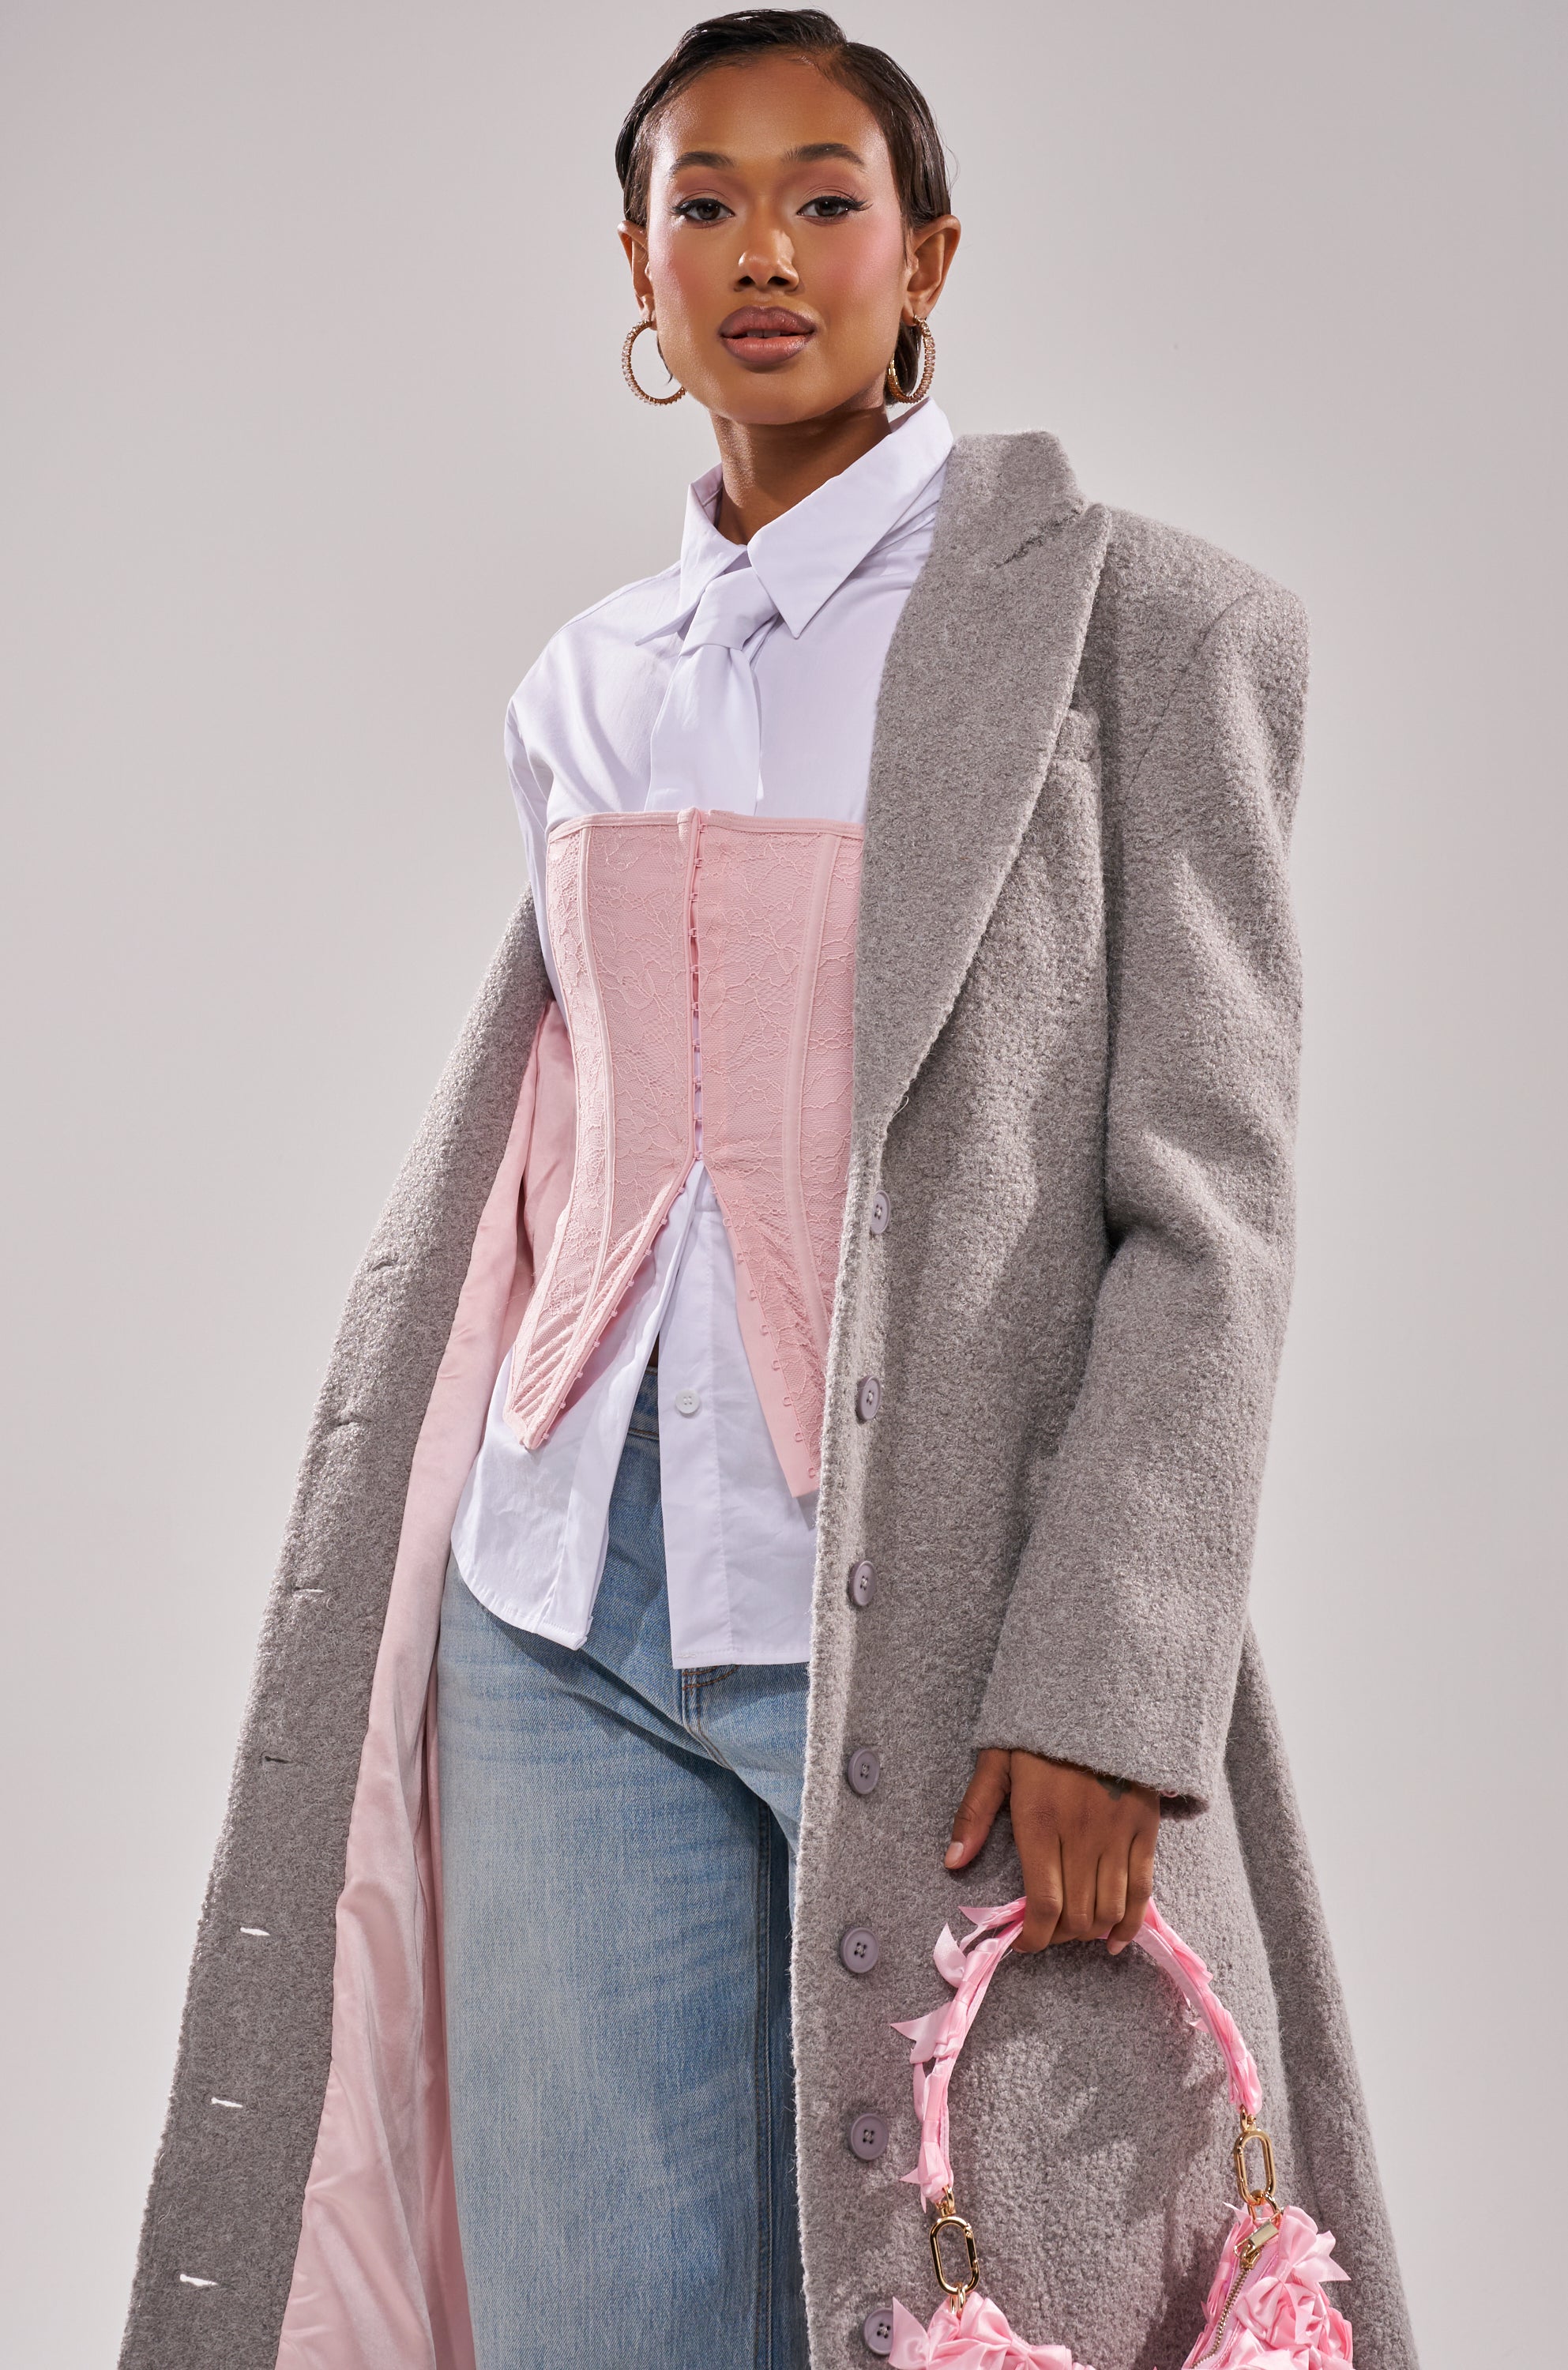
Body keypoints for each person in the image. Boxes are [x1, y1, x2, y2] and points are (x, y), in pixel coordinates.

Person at [120, 13, 1419, 2370]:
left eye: (823, 198)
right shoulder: (586, 680)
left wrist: (1113, 1679)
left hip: (923, 1638)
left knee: (991, 2290)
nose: (760, 251)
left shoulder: (1146, 636)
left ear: (927, 257)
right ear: (632, 266)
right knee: (596, 2320)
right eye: (698, 202)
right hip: (556, 1623)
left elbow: (1202, 1196)